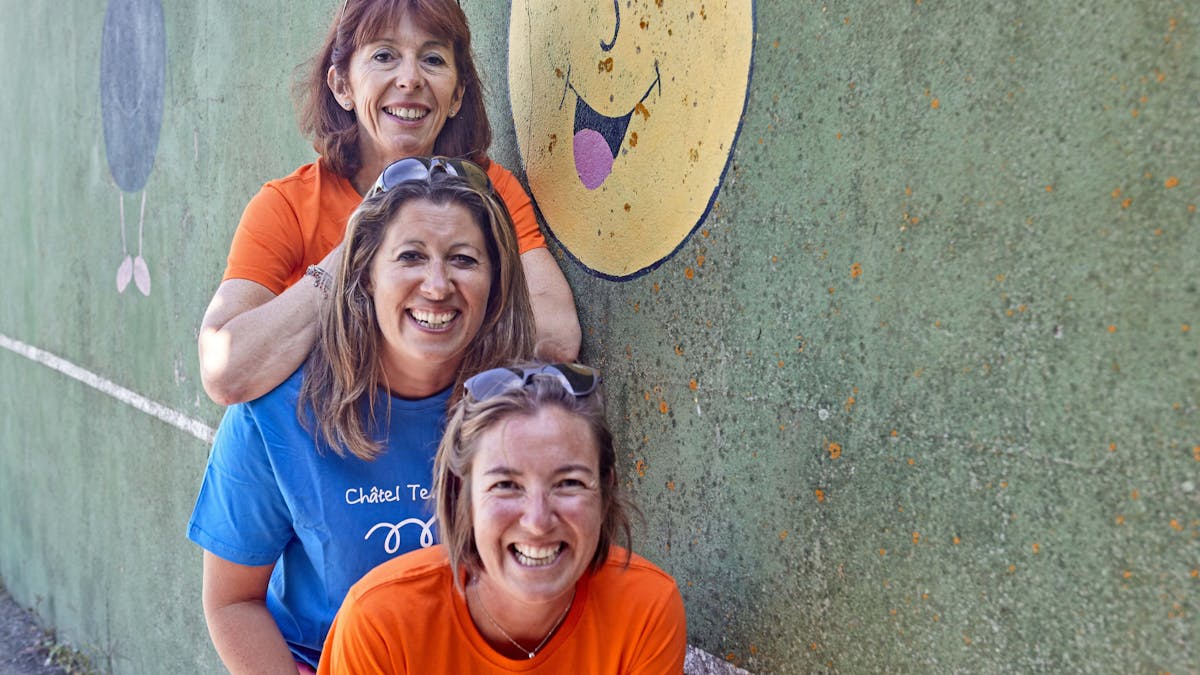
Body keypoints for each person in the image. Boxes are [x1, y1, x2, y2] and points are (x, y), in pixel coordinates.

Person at [187, 157, 537, 673]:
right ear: (366, 274)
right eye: (410, 256)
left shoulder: (528, 414)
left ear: (496, 282)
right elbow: (232, 602)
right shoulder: (278, 413)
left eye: (463, 260)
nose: (437, 285)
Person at [198, 0, 579, 406]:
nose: (410, 79)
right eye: (384, 56)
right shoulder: (288, 205)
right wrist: (359, 251)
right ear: (342, 86)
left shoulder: (489, 191)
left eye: (433, 59)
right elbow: (226, 373)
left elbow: (556, 337)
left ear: (457, 95)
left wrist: (434, 314)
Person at [318, 363, 688, 674]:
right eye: (506, 485)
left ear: (605, 491)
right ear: (463, 495)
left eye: (569, 483)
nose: (538, 522)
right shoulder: (381, 622)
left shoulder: (646, 609)